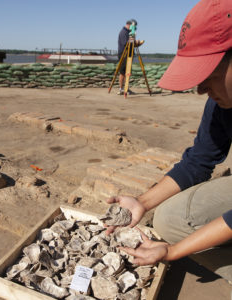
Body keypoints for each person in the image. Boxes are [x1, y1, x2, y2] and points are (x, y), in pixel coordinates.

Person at [107, 0, 232, 282]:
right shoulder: (221, 103)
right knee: (168, 219)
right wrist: (141, 202)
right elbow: (197, 162)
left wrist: (172, 251)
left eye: (209, 74)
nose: (201, 90)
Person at [117, 19, 137, 95]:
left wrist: (134, 40)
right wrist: (133, 40)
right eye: (134, 27)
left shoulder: (128, 32)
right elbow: (125, 43)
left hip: (128, 53)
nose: (134, 29)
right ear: (129, 25)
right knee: (123, 72)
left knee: (127, 72)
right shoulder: (123, 32)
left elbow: (130, 43)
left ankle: (126, 88)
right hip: (123, 54)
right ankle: (121, 89)